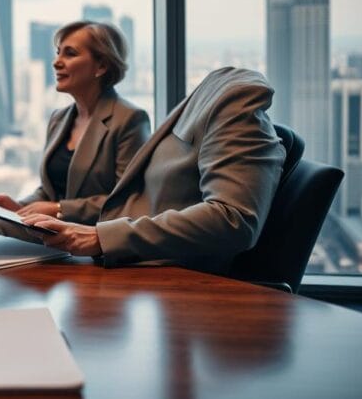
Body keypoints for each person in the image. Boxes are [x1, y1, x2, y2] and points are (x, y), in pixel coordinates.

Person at [22, 67, 286, 275]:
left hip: (149, 268)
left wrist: (97, 235)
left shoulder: (236, 98)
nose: (57, 61)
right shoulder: (212, 94)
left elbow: (233, 219)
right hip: (120, 253)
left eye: (70, 52)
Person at [0, 20, 150, 240]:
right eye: (58, 53)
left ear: (101, 66)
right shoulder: (59, 119)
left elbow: (127, 201)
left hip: (91, 238)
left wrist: (59, 209)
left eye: (70, 54)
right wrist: (19, 207)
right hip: (52, 230)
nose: (56, 62)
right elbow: (49, 190)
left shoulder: (130, 119)